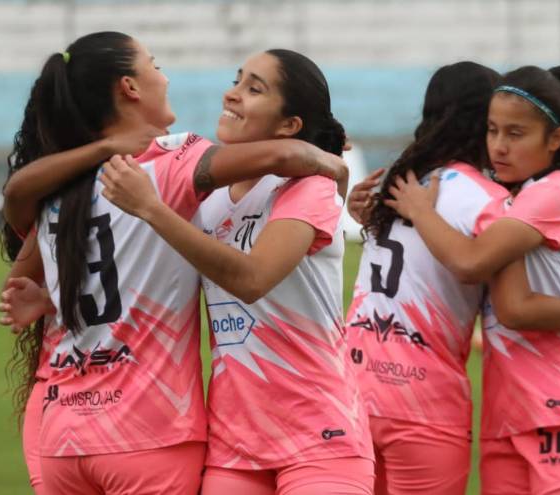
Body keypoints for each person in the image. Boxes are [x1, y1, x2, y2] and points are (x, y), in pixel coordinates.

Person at [0, 32, 348, 494]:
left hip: (61, 429)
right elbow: (285, 154)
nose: (164, 77)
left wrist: (50, 299)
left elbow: (20, 257)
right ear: (130, 87)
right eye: (155, 65)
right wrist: (333, 163)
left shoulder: (62, 182)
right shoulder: (174, 161)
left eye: (252, 86)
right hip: (146, 431)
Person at [98, 49, 375, 495]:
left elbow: (252, 279)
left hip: (321, 435)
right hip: (235, 445)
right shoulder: (207, 198)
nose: (232, 94)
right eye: (237, 81)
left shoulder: (310, 188)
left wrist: (151, 208)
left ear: (289, 126)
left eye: (254, 89)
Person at [344, 62, 560, 495]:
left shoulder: (401, 182)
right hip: (422, 398)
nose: (499, 144)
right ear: (480, 121)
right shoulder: (492, 201)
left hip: (353, 389)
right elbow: (500, 293)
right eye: (493, 128)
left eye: (512, 132)